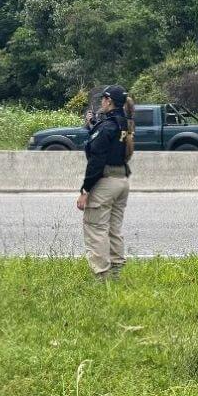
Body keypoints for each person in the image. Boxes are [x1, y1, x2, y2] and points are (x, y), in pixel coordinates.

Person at [77, 85, 132, 281]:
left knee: (96, 227)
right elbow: (110, 143)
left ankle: (102, 277)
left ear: (108, 100)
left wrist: (85, 189)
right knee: (113, 228)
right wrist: (93, 125)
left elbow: (97, 158)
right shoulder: (123, 123)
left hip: (106, 181)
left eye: (103, 99)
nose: (101, 102)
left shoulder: (107, 126)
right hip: (122, 181)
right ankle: (117, 273)